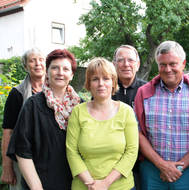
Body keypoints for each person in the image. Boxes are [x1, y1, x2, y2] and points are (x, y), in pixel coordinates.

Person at [134, 41, 189, 190]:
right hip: (152, 169)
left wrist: (179, 167)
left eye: (173, 64)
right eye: (162, 65)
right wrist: (161, 164)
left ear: (183, 64)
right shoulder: (144, 93)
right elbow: (138, 133)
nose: (167, 69)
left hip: (187, 170)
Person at [7, 49, 80, 190]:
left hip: (74, 184)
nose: (60, 72)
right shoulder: (32, 105)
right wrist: (37, 187)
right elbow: (22, 150)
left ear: (71, 75)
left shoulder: (80, 107)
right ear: (47, 72)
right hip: (40, 183)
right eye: (55, 68)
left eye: (65, 69)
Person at [66, 57, 138, 190]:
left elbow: (132, 151)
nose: (101, 83)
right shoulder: (78, 112)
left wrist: (105, 184)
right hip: (84, 186)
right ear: (88, 83)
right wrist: (91, 184)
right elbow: (72, 151)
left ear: (113, 82)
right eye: (95, 79)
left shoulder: (126, 112)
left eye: (106, 78)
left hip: (121, 186)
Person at [1, 48, 45, 190]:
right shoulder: (17, 94)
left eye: (41, 60)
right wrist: (7, 167)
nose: (38, 64)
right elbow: (8, 133)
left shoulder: (57, 90)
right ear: (26, 66)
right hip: (22, 158)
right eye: (32, 61)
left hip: (48, 157)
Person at [112, 45, 146, 190]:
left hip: (141, 161)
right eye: (121, 60)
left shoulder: (147, 90)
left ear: (137, 64)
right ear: (114, 65)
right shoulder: (106, 90)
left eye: (130, 60)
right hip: (112, 162)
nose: (126, 64)